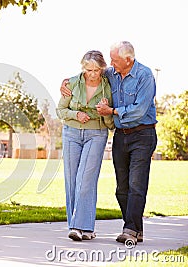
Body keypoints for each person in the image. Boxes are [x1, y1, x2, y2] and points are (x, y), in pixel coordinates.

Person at [60, 41, 157, 245]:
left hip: (143, 134)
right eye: (111, 60)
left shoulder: (144, 75)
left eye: (114, 60)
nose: (110, 64)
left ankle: (129, 229)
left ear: (128, 60)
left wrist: (111, 112)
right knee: (122, 188)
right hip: (121, 135)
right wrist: (66, 81)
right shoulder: (111, 74)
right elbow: (85, 77)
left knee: (136, 184)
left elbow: (139, 110)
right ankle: (135, 227)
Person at [56, 50, 114, 241]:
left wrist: (105, 112)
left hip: (96, 134)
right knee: (72, 180)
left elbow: (110, 124)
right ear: (83, 68)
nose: (92, 74)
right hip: (71, 133)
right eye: (88, 69)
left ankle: (81, 226)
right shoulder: (71, 83)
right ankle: (80, 228)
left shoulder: (108, 87)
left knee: (85, 180)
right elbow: (61, 110)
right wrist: (76, 115)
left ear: (102, 69)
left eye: (96, 70)